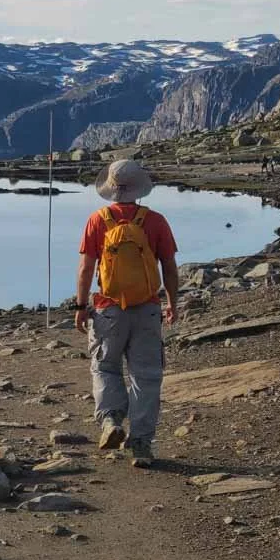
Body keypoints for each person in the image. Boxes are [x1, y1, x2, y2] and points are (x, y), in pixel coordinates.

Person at [73, 159, 179, 468]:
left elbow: (85, 269)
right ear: (140, 189)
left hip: (108, 310)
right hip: (146, 308)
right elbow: (169, 268)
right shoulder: (156, 221)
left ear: (110, 188)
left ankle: (111, 421)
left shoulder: (98, 220)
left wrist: (80, 306)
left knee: (105, 368)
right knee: (146, 376)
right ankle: (142, 445)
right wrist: (172, 302)